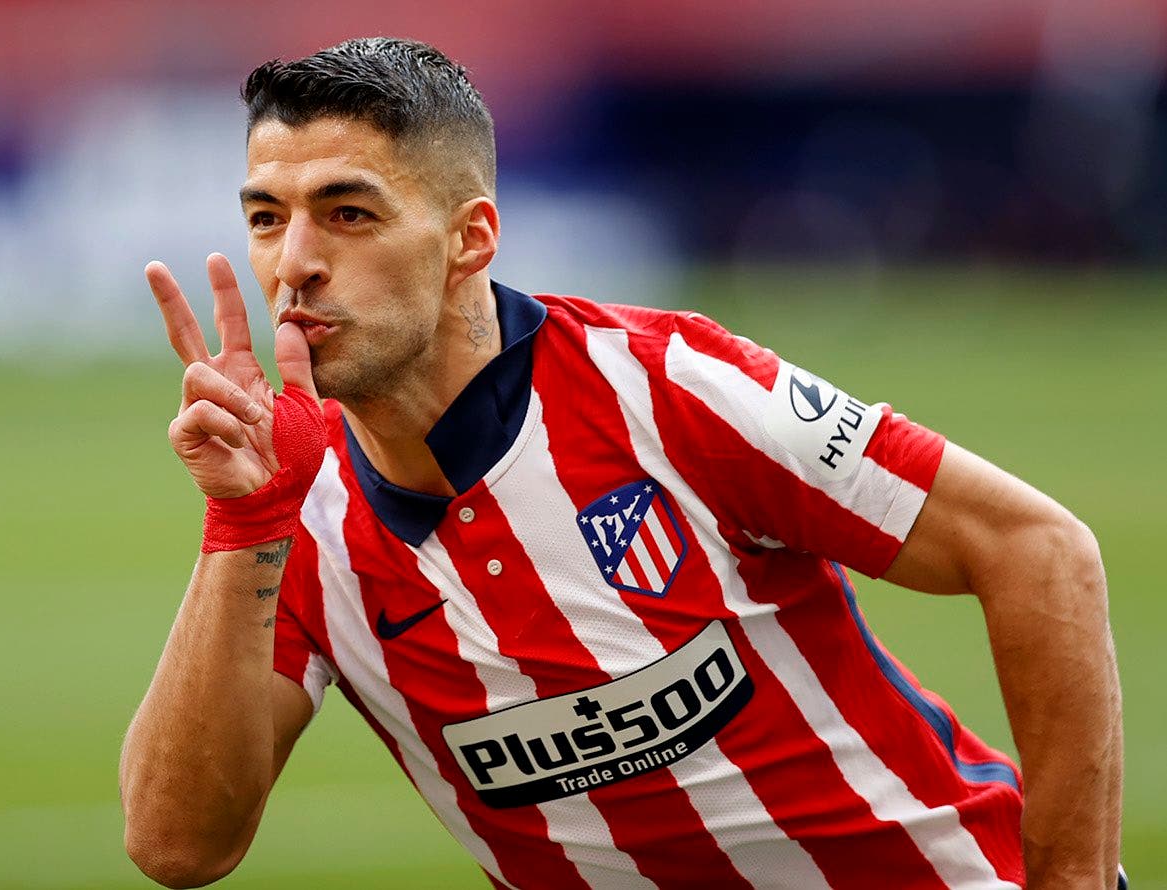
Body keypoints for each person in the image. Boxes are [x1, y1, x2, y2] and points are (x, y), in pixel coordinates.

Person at [118, 37, 1124, 889]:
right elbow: (176, 845)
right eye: (266, 217)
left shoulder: (669, 387)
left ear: (470, 240)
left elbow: (1038, 550)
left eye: (348, 213)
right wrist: (244, 523)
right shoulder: (293, 513)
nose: (292, 263)